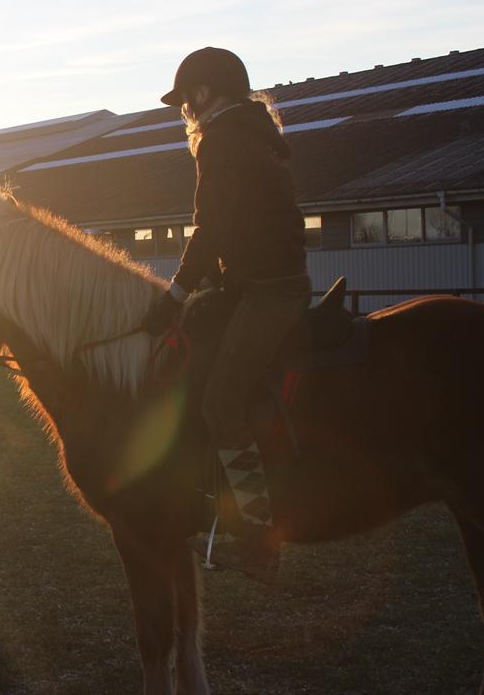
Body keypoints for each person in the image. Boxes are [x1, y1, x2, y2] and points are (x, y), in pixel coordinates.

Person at [141, 47, 310, 583]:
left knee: (220, 400)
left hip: (268, 291)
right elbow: (237, 225)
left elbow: (209, 225)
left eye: (186, 100)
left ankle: (259, 538)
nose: (184, 111)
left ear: (204, 93)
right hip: (252, 284)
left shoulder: (222, 138)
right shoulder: (252, 131)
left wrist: (176, 293)